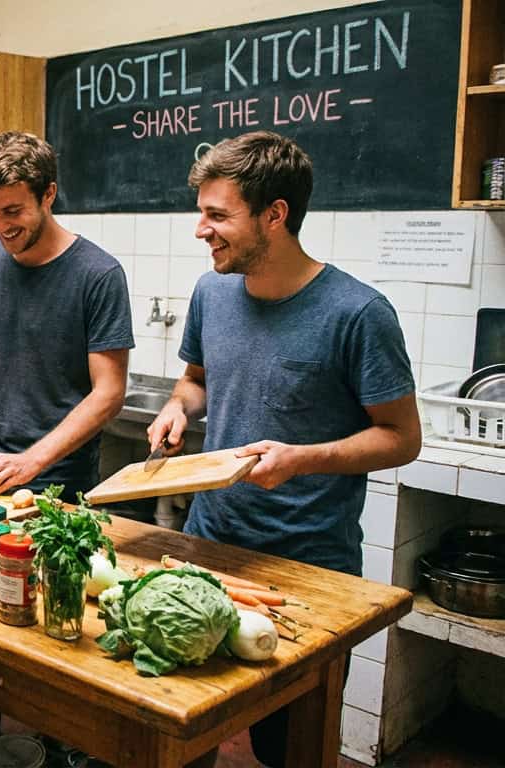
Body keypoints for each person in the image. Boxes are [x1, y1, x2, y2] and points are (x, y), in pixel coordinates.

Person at [149, 131, 421, 768]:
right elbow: (196, 381)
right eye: (203, 213)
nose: (201, 230)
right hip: (210, 545)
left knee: (290, 747)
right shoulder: (211, 293)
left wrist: (303, 457)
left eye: (218, 216)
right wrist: (175, 407)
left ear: (275, 215)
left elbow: (402, 438)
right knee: (185, 731)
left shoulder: (358, 313)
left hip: (308, 568)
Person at [0, 131, 133, 499]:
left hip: (58, 482)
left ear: (48, 194)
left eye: (12, 211)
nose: (0, 226)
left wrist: (32, 460)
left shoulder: (98, 275)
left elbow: (109, 393)